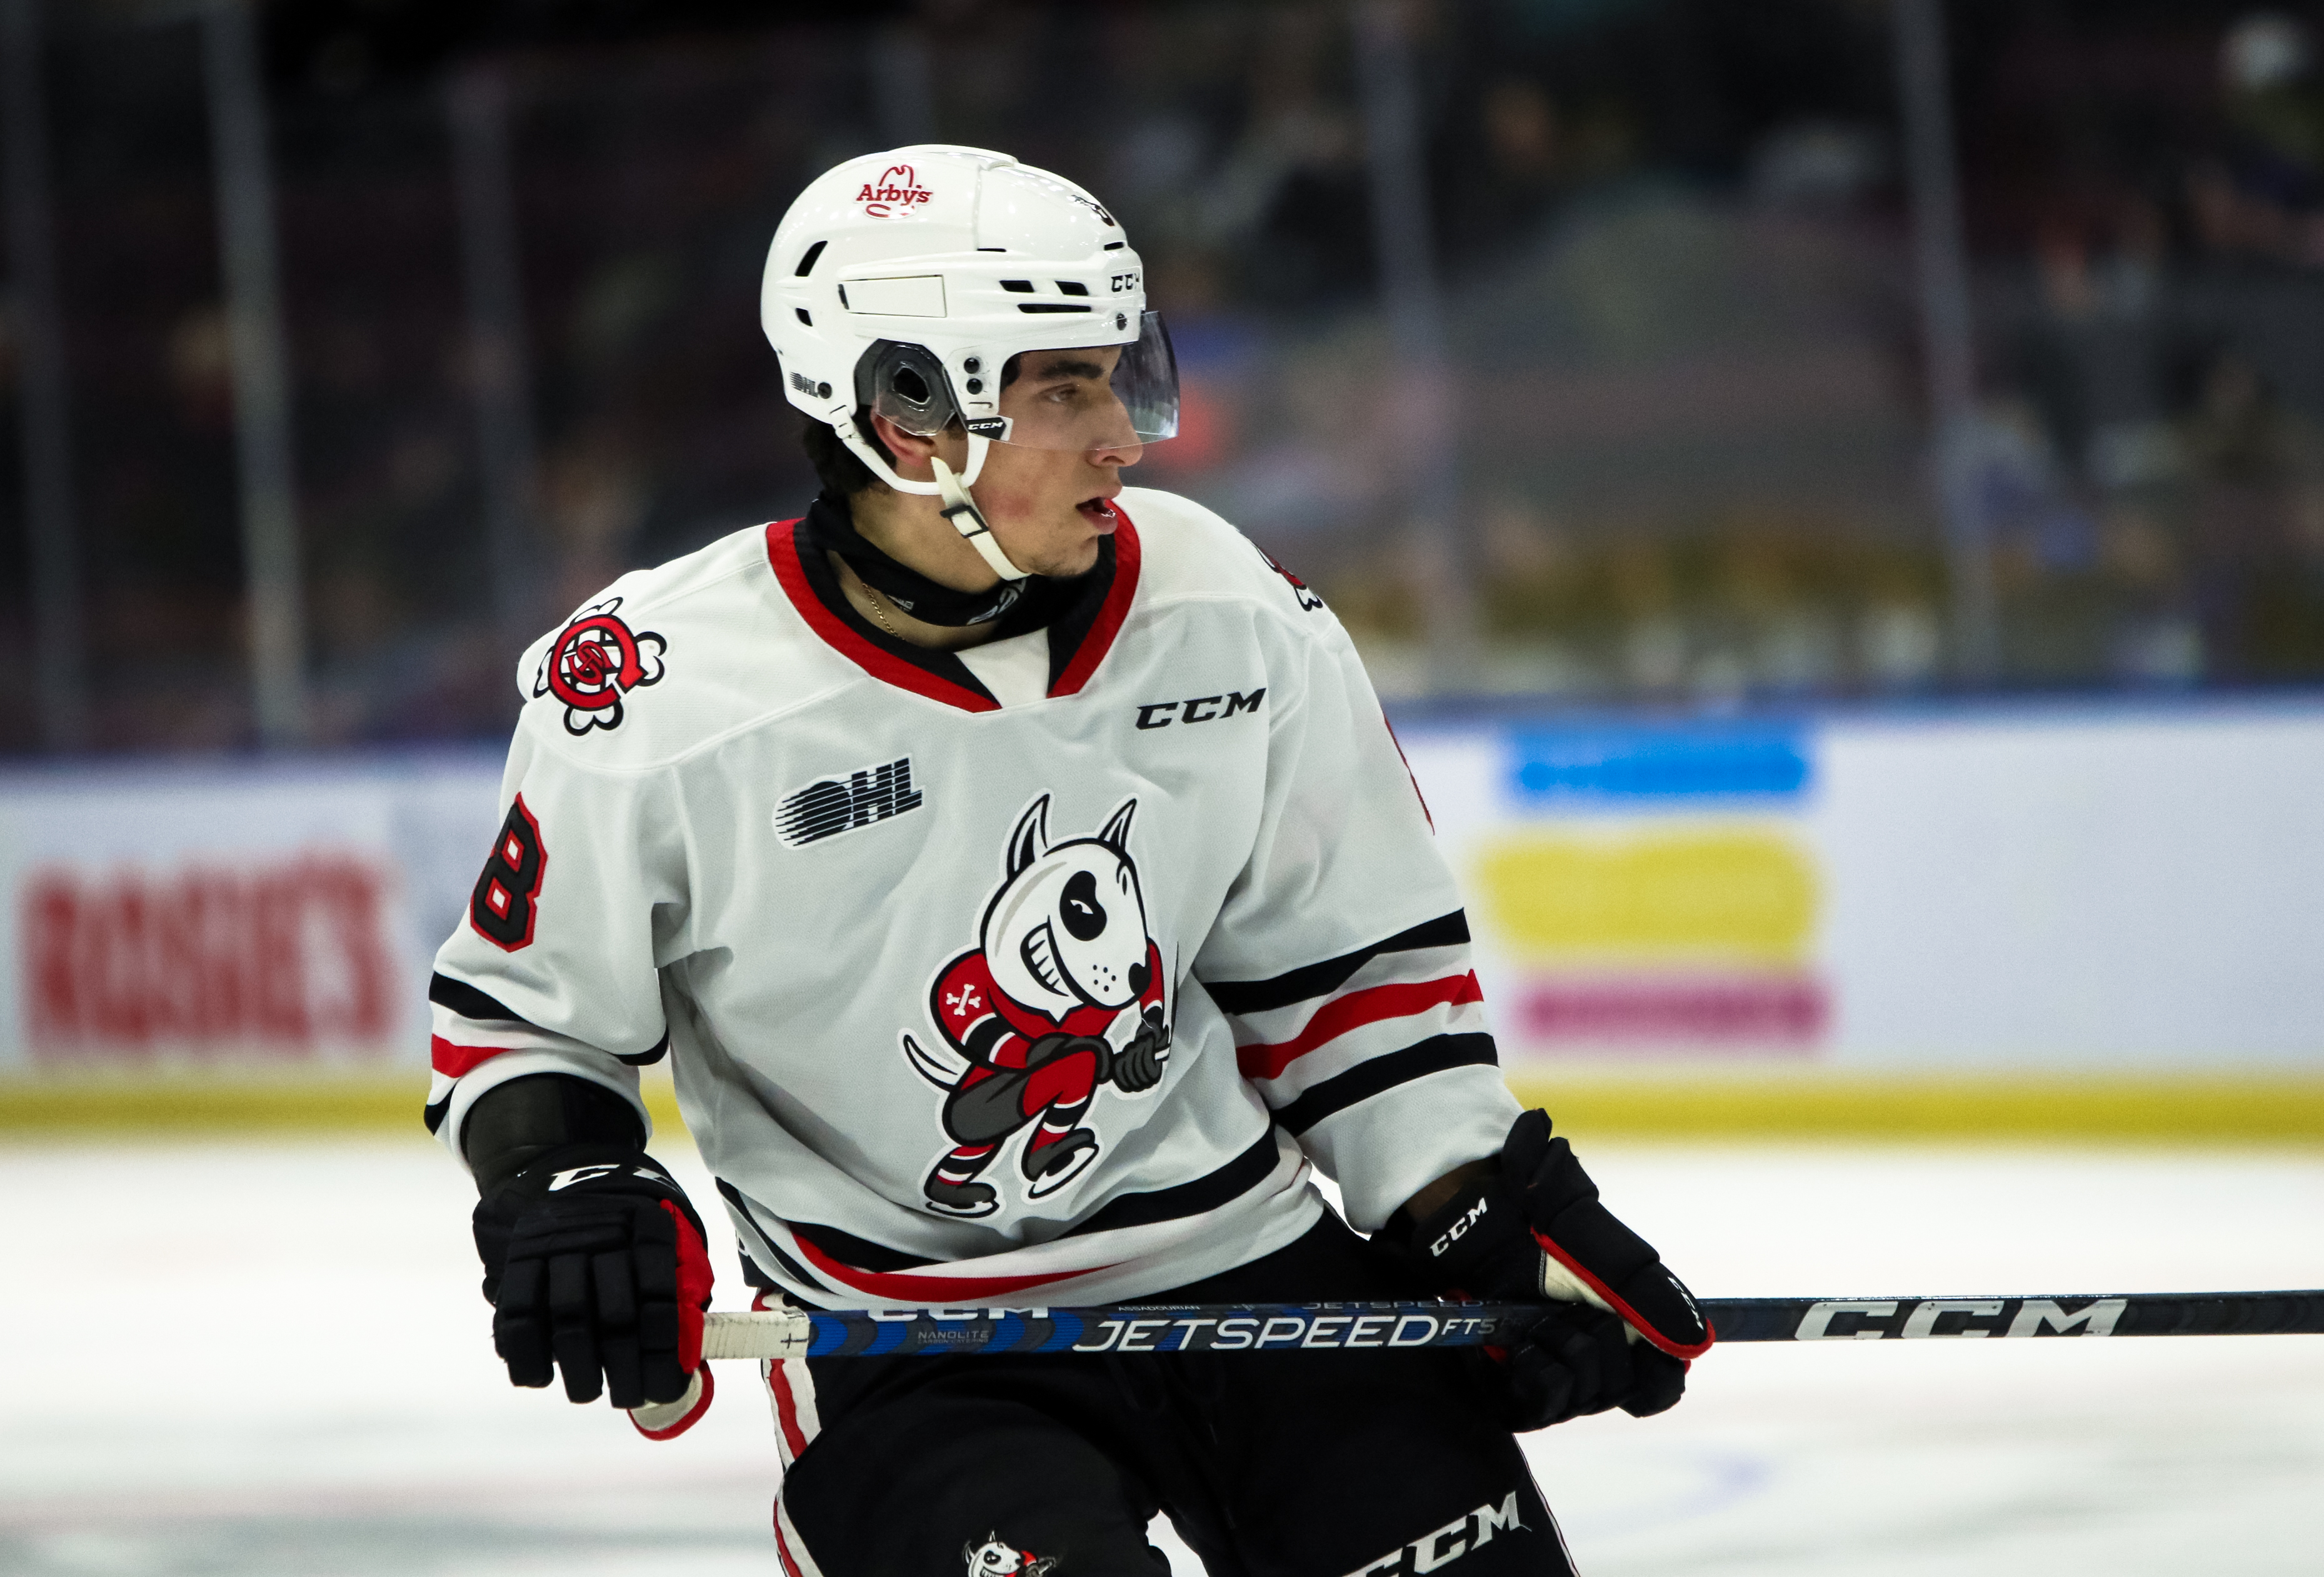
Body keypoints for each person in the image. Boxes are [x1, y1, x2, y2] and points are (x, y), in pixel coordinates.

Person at [427, 144, 1710, 1577]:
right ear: (906, 412)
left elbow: (1342, 979)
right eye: (1063, 389)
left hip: (1255, 1279)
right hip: (917, 1340)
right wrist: (563, 1184)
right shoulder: (653, 695)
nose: (1127, 435)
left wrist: (1474, 1201)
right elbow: (524, 1020)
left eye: (1119, 373)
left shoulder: (1225, 605)